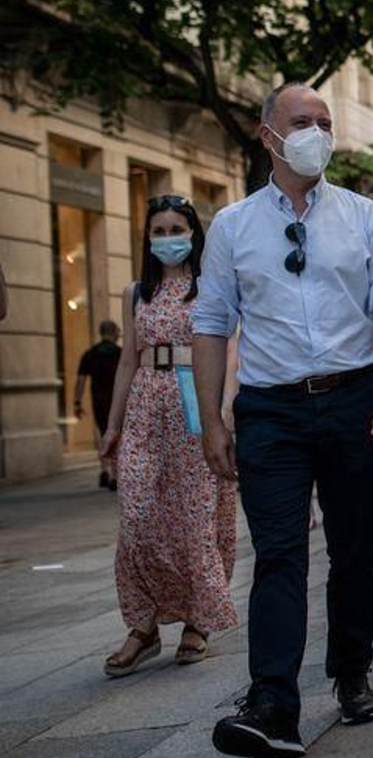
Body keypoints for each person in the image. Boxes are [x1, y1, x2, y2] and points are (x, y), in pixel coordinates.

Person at [193, 83, 373, 758]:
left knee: (354, 545)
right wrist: (211, 420)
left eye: (325, 121)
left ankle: (351, 673)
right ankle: (273, 703)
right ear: (268, 136)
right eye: (303, 121)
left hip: (355, 397)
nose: (318, 131)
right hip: (270, 408)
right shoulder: (233, 226)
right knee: (280, 551)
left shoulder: (363, 217)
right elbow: (210, 324)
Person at [98, 196, 237, 677]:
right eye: (157, 231)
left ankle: (199, 620)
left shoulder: (209, 288)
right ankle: (143, 623)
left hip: (193, 402)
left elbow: (228, 349)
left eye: (176, 228)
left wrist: (222, 409)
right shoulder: (136, 291)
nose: (167, 238)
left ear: (194, 233)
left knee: (196, 519)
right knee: (135, 517)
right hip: (144, 405)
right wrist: (113, 425)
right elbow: (126, 362)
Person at [76, 320, 123, 489]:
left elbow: (81, 380)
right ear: (112, 332)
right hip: (117, 400)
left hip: (99, 400)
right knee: (117, 435)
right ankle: (115, 475)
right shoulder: (120, 353)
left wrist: (77, 402)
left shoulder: (90, 353)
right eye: (118, 331)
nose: (119, 334)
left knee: (103, 433)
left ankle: (104, 471)